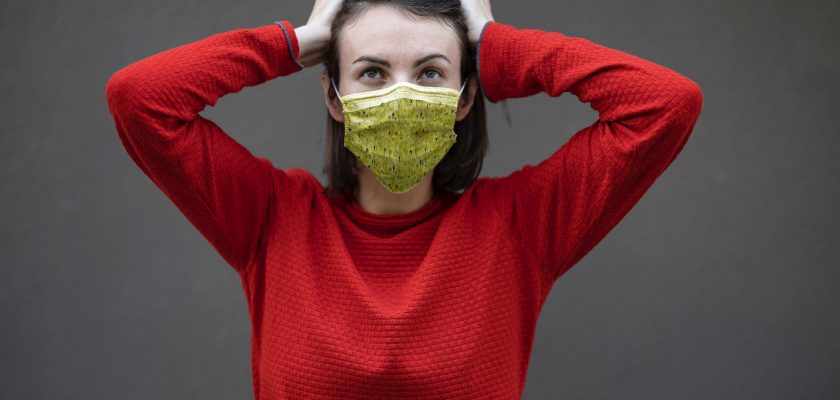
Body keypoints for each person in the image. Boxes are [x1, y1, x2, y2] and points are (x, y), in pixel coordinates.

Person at [105, 0, 703, 398]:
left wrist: (496, 45)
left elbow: (664, 104)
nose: (401, 95)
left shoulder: (519, 227)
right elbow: (139, 98)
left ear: (466, 97)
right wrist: (297, 41)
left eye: (430, 73)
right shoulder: (271, 218)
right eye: (371, 72)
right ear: (334, 99)